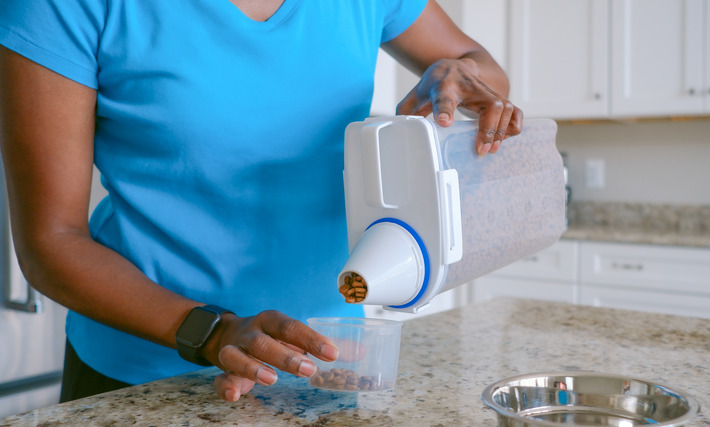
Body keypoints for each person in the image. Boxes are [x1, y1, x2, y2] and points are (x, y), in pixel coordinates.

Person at [0, 0, 522, 403]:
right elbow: (51, 241)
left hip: (328, 364)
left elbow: (481, 67)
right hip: (143, 375)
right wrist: (214, 332)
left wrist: (456, 74)